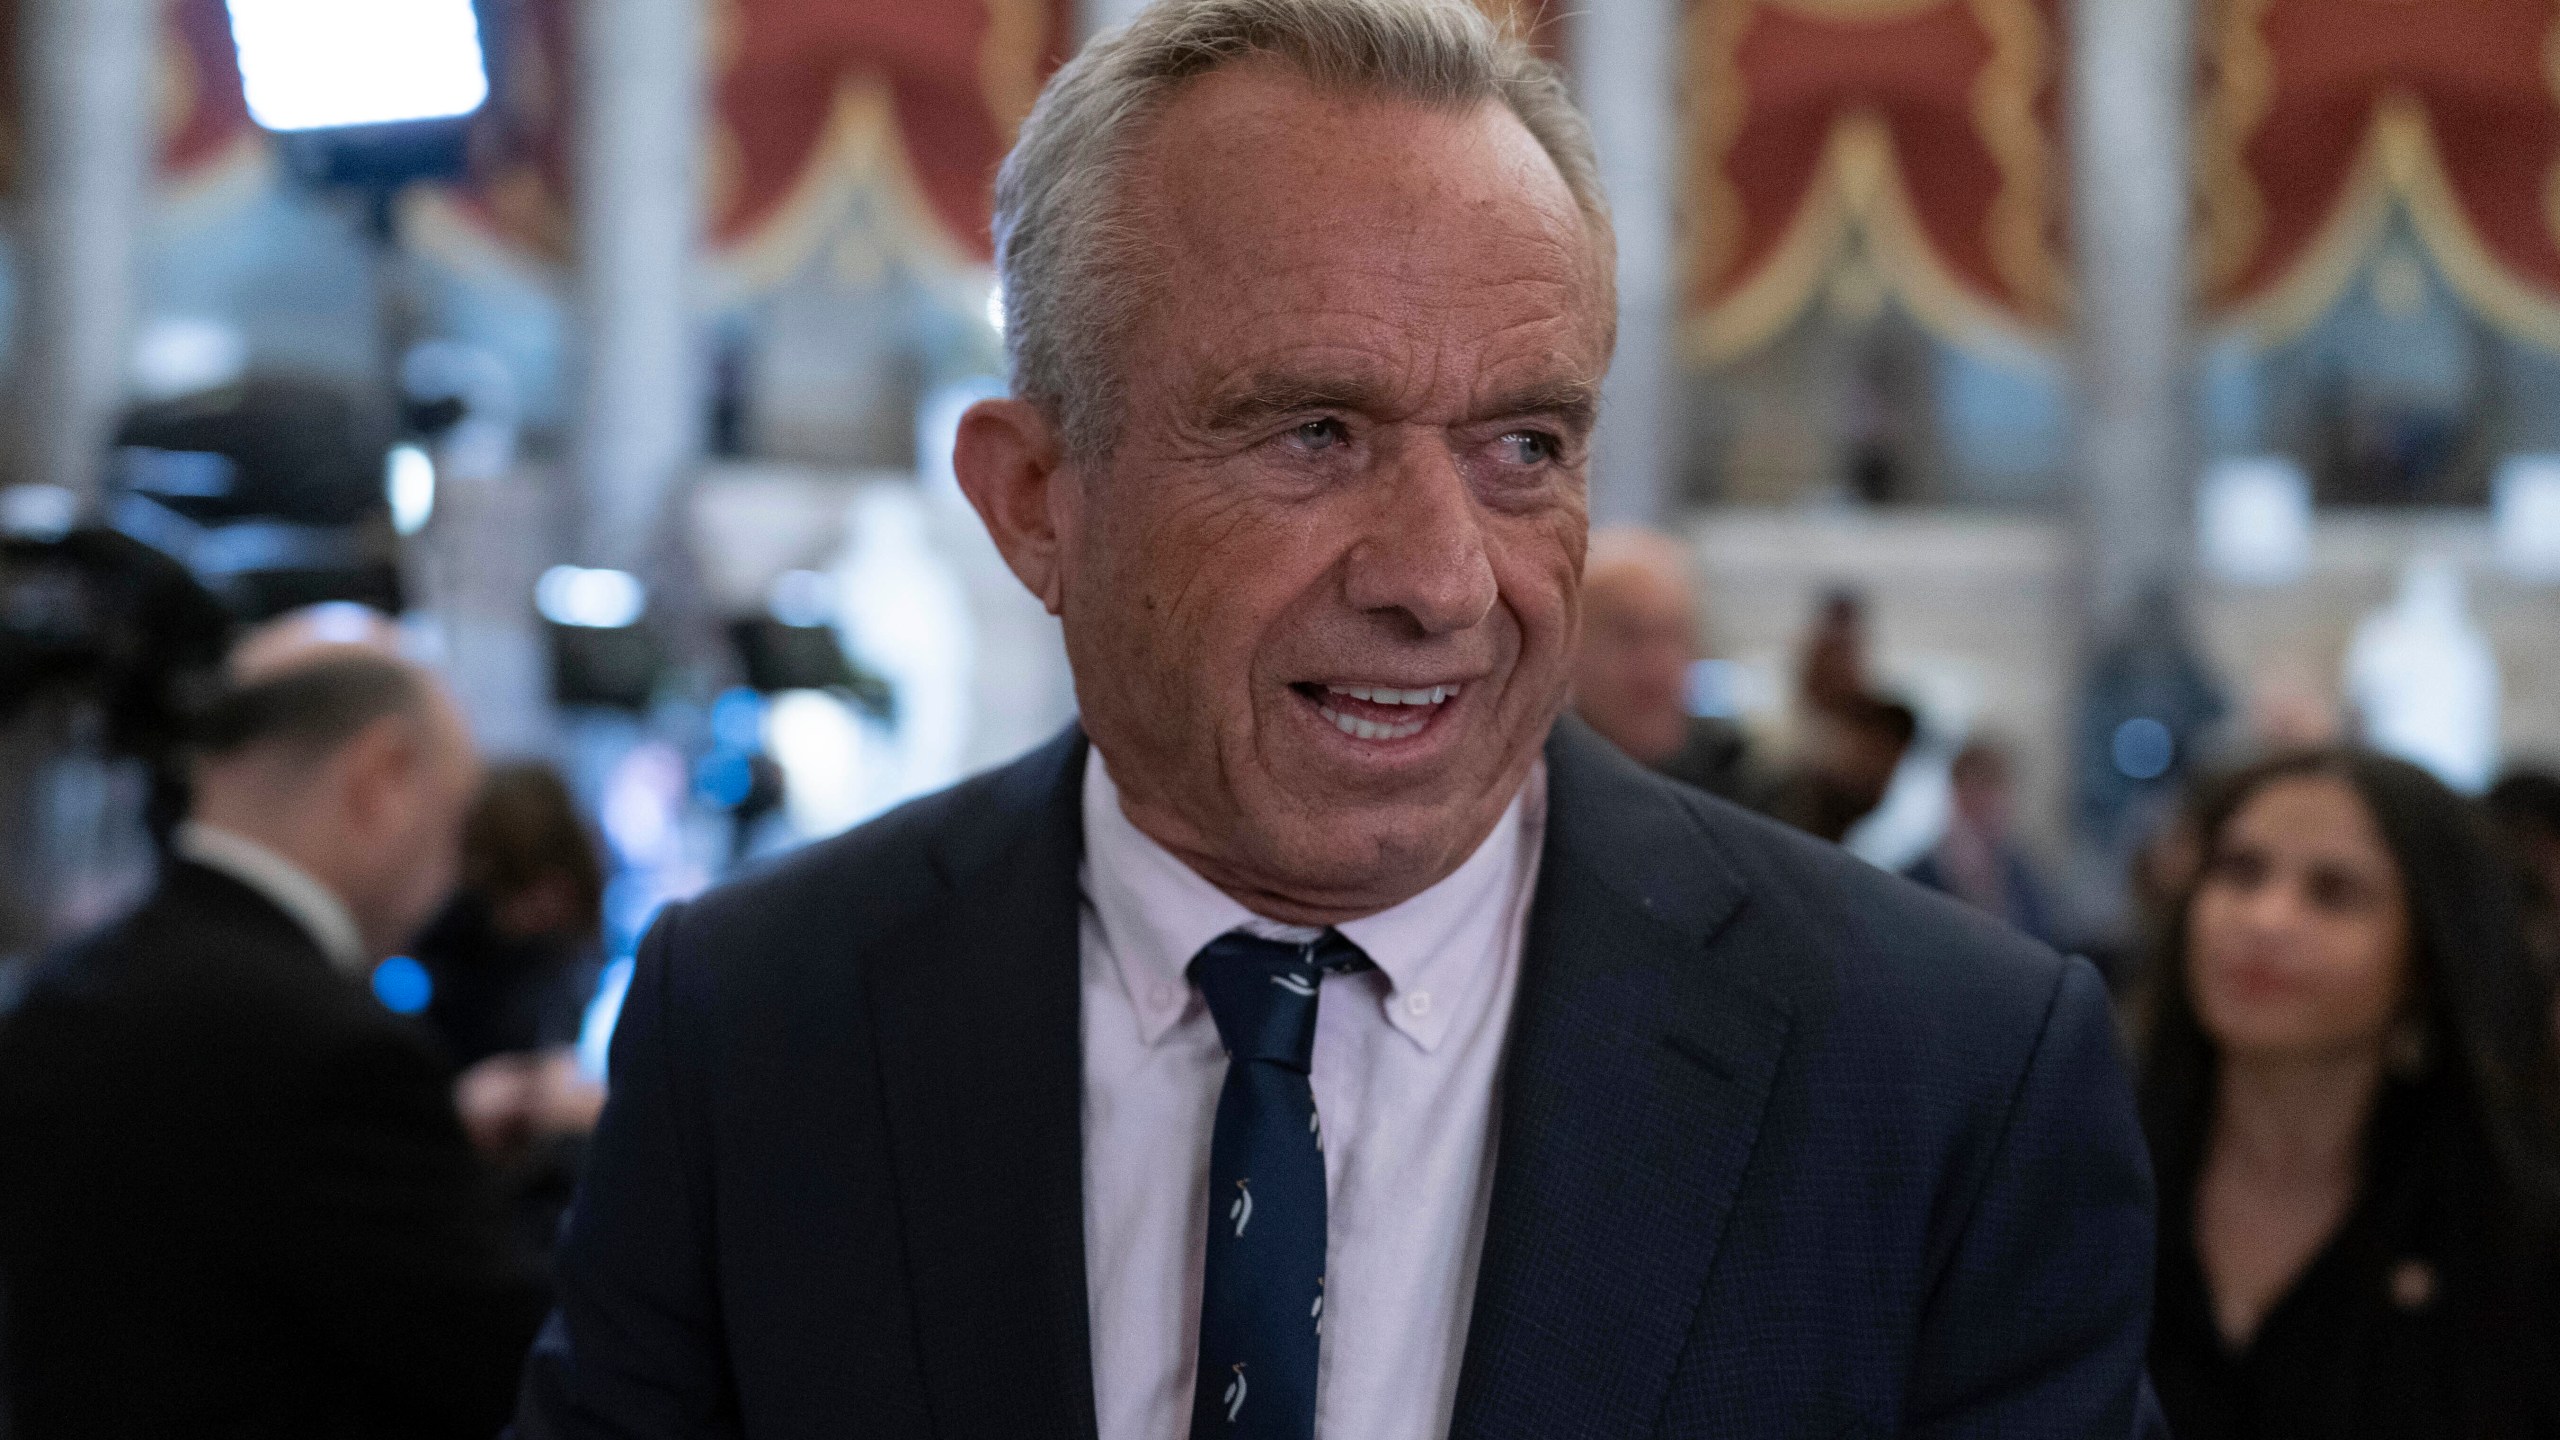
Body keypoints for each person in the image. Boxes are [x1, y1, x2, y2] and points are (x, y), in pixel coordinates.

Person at [520, 2, 2157, 1435]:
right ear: (1033, 501)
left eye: (1525, 447)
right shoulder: (759, 1025)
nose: (1443, 581)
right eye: (1312, 432)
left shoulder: (1944, 1076)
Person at [0, 630, 548, 1438]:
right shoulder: (336, 1049)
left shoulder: (59, 993)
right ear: (383, 777)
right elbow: (512, 1371)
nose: (457, 872)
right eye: (458, 819)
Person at [2142, 748, 2560, 1438]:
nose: (2266, 919)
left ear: (2426, 956)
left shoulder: (2509, 1235)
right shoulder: (2085, 1170)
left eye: (2333, 891)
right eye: (2240, 871)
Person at [1569, 527, 1754, 801]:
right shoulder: (1532, 794)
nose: (1657, 664)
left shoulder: (1739, 781)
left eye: (1674, 636)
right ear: (1569, 646)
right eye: (1629, 635)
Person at [1905, 739, 2058, 947]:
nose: (1991, 810)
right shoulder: (1917, 879)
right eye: (1976, 796)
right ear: (1957, 797)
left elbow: (2044, 941)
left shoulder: (2024, 877)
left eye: (1996, 794)